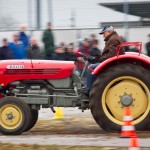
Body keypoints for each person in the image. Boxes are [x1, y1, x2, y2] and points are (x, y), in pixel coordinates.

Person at [84, 25, 125, 97]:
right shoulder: (113, 38)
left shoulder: (113, 39)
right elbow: (109, 54)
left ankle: (89, 90)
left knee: (90, 67)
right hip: (113, 62)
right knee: (94, 65)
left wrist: (97, 59)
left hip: (112, 63)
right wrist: (96, 57)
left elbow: (110, 56)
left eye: (104, 33)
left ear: (109, 31)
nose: (103, 35)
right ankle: (91, 86)